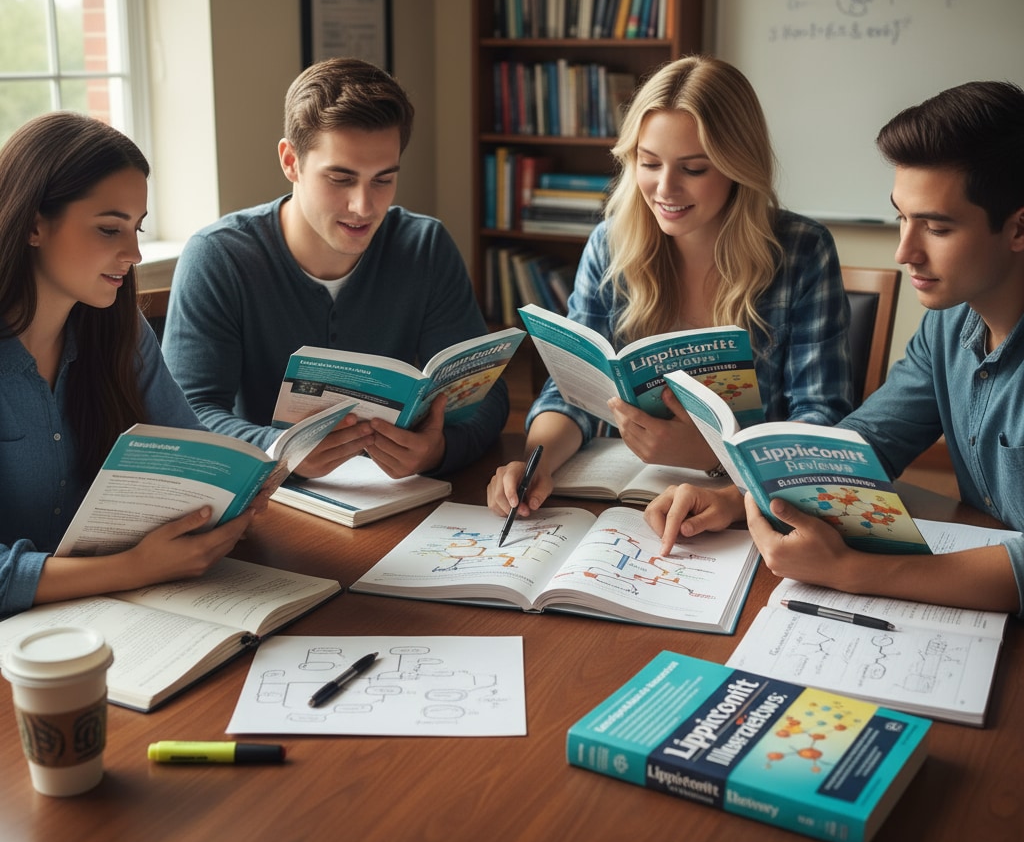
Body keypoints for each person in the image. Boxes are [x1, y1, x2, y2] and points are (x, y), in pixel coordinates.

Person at [647, 80, 1024, 615]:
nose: (904, 251)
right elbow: (872, 440)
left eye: (937, 228)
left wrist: (853, 571)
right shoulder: (948, 323)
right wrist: (738, 498)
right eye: (902, 217)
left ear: (1018, 227)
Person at [487, 54, 853, 519]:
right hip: (625, 501)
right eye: (649, 162)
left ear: (738, 166)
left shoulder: (802, 251)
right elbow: (572, 393)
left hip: (756, 509)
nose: (665, 188)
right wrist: (535, 462)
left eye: (693, 169)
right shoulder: (611, 244)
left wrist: (712, 456)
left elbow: (821, 420)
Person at [163, 57, 508, 480]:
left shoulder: (424, 247)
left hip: (395, 497)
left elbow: (485, 395)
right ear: (291, 161)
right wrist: (281, 453)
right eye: (340, 179)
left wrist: (439, 450)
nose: (363, 206)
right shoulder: (219, 257)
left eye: (383, 179)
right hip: (267, 501)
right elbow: (187, 415)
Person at [0, 112, 253, 618]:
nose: (134, 253)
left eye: (137, 228)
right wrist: (133, 568)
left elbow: (187, 448)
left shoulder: (120, 330)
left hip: (120, 614)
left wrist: (233, 495)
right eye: (109, 229)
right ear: (33, 224)